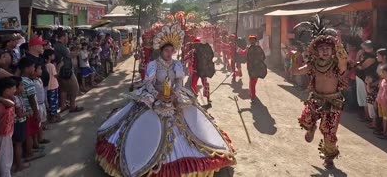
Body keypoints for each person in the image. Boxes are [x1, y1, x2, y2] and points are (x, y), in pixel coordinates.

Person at [95, 24, 236, 176]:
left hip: (173, 97)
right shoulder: (153, 65)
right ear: (161, 51)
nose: (170, 53)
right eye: (166, 51)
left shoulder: (176, 64)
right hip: (155, 96)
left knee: (188, 116)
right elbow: (148, 83)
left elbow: (179, 82)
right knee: (144, 119)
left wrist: (175, 93)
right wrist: (157, 95)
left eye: (171, 51)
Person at [292, 16, 348, 168]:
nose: (325, 51)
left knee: (329, 132)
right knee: (305, 120)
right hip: (315, 99)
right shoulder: (312, 64)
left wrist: (339, 45)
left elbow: (344, 61)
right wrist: (295, 57)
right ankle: (311, 127)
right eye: (321, 48)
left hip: (333, 102)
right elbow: (296, 71)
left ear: (332, 51)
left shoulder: (337, 65)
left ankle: (329, 156)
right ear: (316, 51)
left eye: (328, 48)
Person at [18, 58, 45, 162]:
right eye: (33, 67)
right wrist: (36, 113)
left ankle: (31, 149)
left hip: (26, 110)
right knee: (29, 133)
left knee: (29, 132)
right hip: (30, 110)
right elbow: (32, 100)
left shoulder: (21, 80)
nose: (34, 68)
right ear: (26, 68)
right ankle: (29, 153)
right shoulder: (28, 82)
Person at [54, 32, 83, 113]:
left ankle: (63, 106)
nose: (67, 38)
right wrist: (77, 51)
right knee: (75, 88)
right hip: (66, 71)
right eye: (66, 37)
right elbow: (70, 55)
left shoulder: (56, 45)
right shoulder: (61, 46)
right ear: (63, 37)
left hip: (61, 71)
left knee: (64, 89)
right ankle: (73, 106)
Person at [0, 77, 16, 177]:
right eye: (13, 88)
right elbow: (13, 104)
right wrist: (1, 98)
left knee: (8, 155)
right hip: (2, 133)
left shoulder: (6, 100)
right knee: (4, 157)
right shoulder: (1, 102)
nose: (15, 90)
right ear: (6, 90)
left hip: (7, 132)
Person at [185, 37, 214, 106]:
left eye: (197, 44)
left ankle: (206, 98)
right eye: (195, 44)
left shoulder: (196, 51)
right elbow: (186, 58)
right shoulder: (192, 52)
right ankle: (197, 97)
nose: (196, 45)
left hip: (201, 71)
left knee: (203, 84)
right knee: (194, 84)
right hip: (197, 71)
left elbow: (186, 58)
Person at [238, 35, 267, 100]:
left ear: (255, 41)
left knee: (253, 81)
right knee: (252, 81)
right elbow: (263, 57)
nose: (252, 41)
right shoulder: (255, 48)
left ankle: (252, 94)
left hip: (254, 67)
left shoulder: (252, 48)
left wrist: (239, 51)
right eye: (251, 40)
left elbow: (243, 54)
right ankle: (251, 92)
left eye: (253, 40)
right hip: (253, 67)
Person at [11, 77, 30, 172]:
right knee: (18, 144)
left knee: (16, 144)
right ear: (16, 88)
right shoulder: (16, 98)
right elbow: (19, 114)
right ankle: (19, 165)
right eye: (22, 85)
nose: (23, 87)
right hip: (19, 123)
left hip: (16, 123)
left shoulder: (16, 96)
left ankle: (15, 163)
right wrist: (27, 113)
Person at [43, 49, 61, 123]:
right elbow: (56, 75)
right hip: (53, 85)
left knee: (50, 101)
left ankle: (53, 115)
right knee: (53, 102)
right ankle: (53, 117)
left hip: (48, 86)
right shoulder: (51, 65)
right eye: (53, 55)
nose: (54, 56)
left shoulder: (44, 65)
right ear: (49, 56)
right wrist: (59, 67)